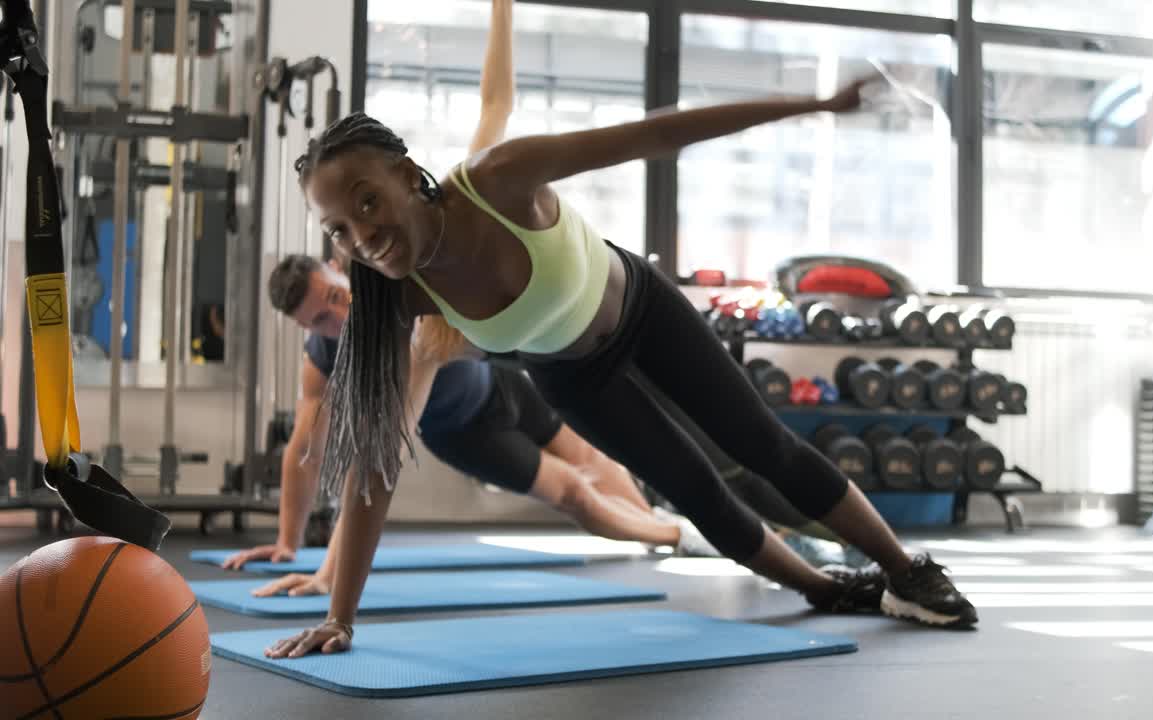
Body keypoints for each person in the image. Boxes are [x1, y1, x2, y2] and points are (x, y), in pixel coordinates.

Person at [266, 63, 978, 661]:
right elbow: (374, 467)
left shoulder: (499, 179)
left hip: (640, 310)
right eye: (340, 228)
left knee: (763, 447)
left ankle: (904, 570)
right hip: (571, 374)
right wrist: (341, 615)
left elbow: (660, 132)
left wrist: (814, 104)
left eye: (367, 202)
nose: (363, 234)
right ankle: (827, 590)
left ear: (405, 172)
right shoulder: (398, 298)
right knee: (696, 494)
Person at [222, 0, 715, 596]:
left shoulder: (459, 206)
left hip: (505, 380)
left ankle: (670, 527)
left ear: (338, 268)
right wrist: (314, 564)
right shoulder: (401, 330)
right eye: (321, 320)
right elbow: (349, 458)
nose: (335, 314)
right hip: (466, 429)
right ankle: (675, 539)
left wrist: (501, 11)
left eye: (332, 296)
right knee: (575, 493)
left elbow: (494, 107)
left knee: (598, 462)